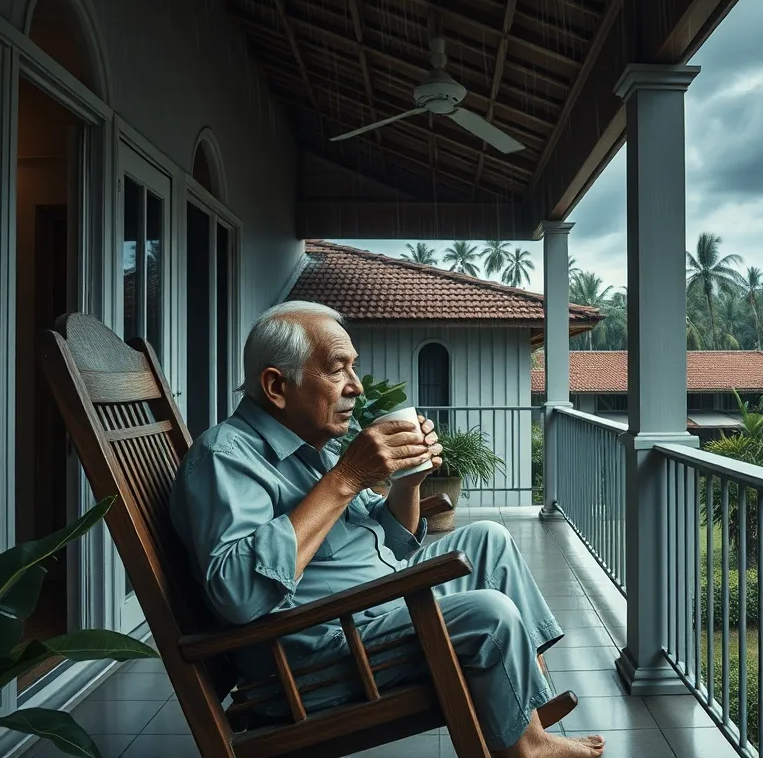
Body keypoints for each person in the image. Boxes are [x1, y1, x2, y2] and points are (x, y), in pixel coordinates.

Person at [170, 300, 604, 758]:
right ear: (277, 386)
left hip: (373, 608)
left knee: (488, 542)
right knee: (488, 614)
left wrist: (408, 482)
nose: (355, 387)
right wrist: (346, 478)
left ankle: (525, 714)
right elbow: (236, 593)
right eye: (338, 370)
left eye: (353, 368)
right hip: (319, 653)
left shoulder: (314, 447)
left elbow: (390, 542)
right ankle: (524, 746)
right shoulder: (226, 458)